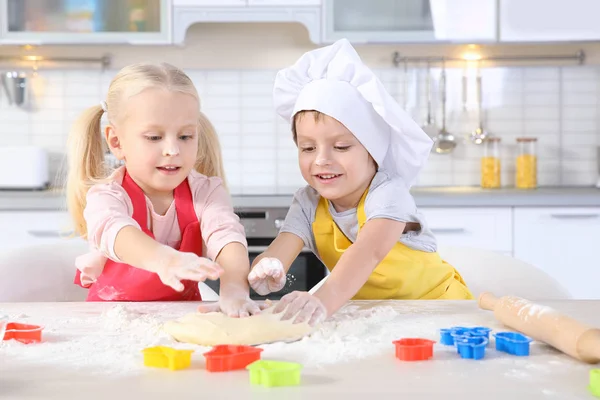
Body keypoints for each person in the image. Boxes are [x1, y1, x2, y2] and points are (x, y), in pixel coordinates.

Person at [248, 39, 474, 326]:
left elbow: (367, 253)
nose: (321, 160)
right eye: (307, 148)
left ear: (372, 149)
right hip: (375, 319)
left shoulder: (388, 193)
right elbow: (280, 249)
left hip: (437, 311)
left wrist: (320, 301)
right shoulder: (308, 203)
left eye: (341, 147)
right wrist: (267, 268)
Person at [67, 62, 261, 317]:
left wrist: (235, 288)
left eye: (185, 136)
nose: (173, 150)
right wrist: (164, 260)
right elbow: (116, 232)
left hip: (182, 319)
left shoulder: (206, 192)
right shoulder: (108, 196)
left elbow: (227, 237)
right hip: (111, 320)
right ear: (116, 142)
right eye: (154, 137)